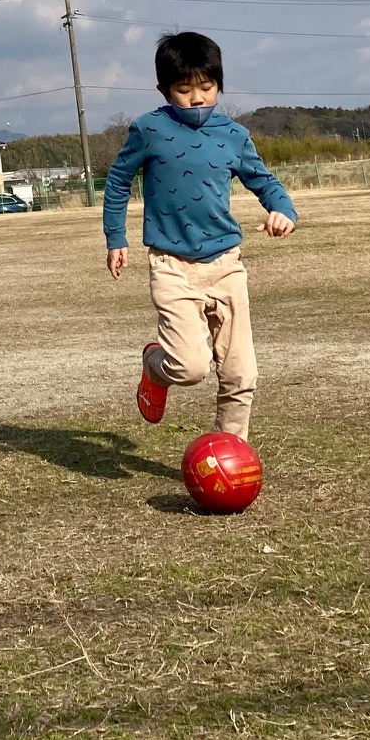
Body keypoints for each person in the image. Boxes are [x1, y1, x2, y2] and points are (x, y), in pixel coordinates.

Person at [102, 31, 296, 441]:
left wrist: (282, 210)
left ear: (219, 85)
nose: (196, 99)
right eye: (184, 89)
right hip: (172, 267)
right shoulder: (148, 129)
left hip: (226, 265)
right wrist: (115, 237)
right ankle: (154, 364)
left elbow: (264, 182)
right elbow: (118, 180)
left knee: (241, 372)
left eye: (206, 88)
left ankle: (229, 454)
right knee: (189, 367)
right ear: (164, 90)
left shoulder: (234, 135)